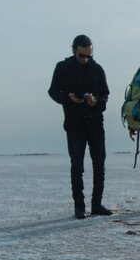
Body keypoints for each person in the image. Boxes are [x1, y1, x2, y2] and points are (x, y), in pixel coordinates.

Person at [48, 34, 113, 219]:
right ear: (74, 51)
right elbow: (53, 91)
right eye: (82, 56)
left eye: (89, 56)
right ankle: (79, 206)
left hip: (95, 124)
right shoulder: (63, 68)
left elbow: (105, 97)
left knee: (99, 164)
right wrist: (66, 98)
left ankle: (97, 204)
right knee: (77, 165)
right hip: (74, 124)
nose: (85, 59)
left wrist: (96, 102)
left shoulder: (97, 69)